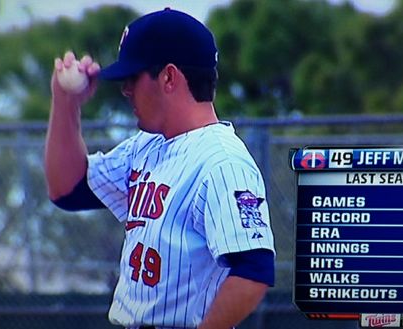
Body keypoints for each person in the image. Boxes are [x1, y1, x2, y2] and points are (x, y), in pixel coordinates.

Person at [44, 8, 275, 329]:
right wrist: (65, 102)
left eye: (133, 77)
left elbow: (254, 270)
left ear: (168, 77)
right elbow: (67, 190)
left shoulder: (222, 160)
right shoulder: (145, 146)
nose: (125, 89)